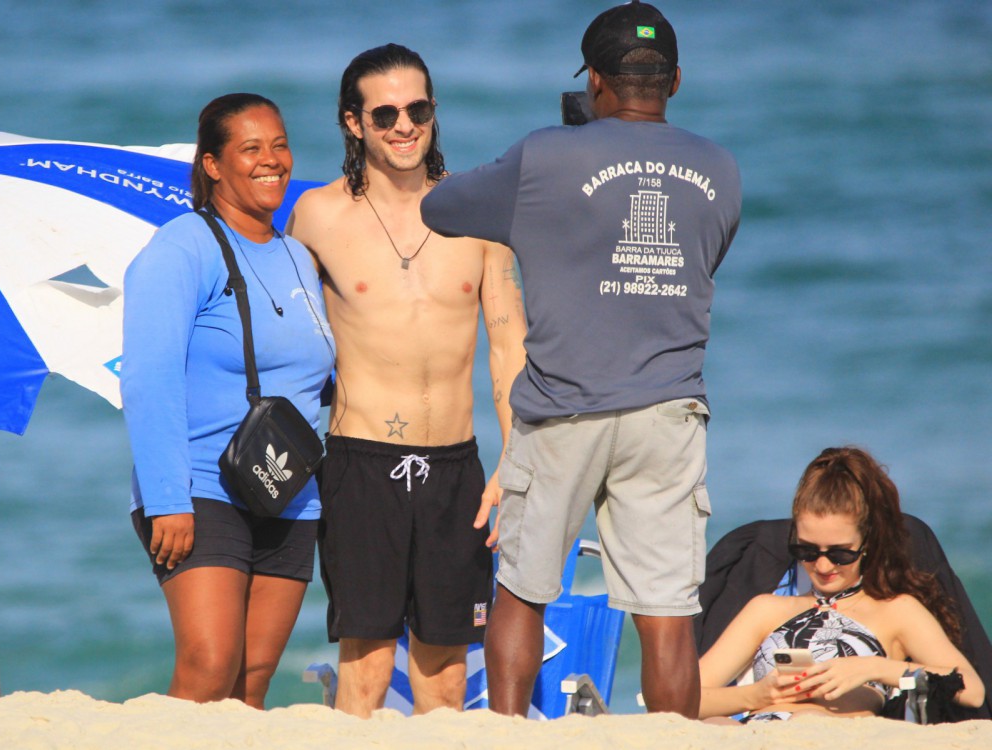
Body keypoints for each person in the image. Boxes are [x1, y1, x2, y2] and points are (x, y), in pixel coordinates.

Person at [420, 1, 742, 718]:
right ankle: (672, 739)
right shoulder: (720, 170)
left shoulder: (545, 155)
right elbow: (704, 256)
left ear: (594, 80)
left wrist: (548, 181)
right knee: (664, 612)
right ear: (676, 81)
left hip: (562, 407)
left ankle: (505, 733)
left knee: (524, 589)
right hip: (668, 411)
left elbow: (441, 212)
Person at [286, 43, 527, 717]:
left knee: (447, 677)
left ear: (433, 112)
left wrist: (515, 458)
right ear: (352, 122)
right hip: (361, 462)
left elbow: (509, 341)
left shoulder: (479, 215)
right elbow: (288, 340)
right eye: (384, 111)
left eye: (417, 108)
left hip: (457, 469)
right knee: (363, 671)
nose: (403, 124)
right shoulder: (317, 217)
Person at [121, 93, 334, 708]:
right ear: (213, 165)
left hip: (288, 490)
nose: (271, 161)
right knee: (210, 666)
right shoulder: (182, 248)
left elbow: (317, 375)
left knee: (252, 682)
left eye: (279, 145)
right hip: (201, 488)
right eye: (250, 149)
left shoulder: (298, 257)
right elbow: (147, 376)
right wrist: (167, 499)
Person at [698, 447, 985, 722]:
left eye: (840, 554)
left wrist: (874, 668)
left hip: (823, 734)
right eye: (807, 552)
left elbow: (971, 689)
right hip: (756, 729)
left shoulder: (897, 611)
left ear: (867, 542)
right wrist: (757, 695)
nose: (823, 566)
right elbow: (687, 697)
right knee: (717, 727)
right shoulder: (766, 609)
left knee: (808, 720)